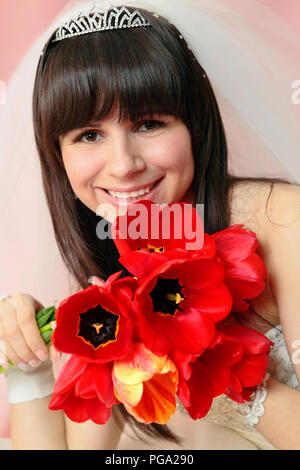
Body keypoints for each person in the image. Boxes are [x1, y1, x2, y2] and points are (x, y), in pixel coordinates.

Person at [0, 0, 299, 450]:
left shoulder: (282, 220)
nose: (123, 166)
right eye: (89, 135)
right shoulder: (110, 271)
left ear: (195, 126)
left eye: (149, 123)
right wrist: (28, 369)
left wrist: (216, 361)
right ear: (57, 156)